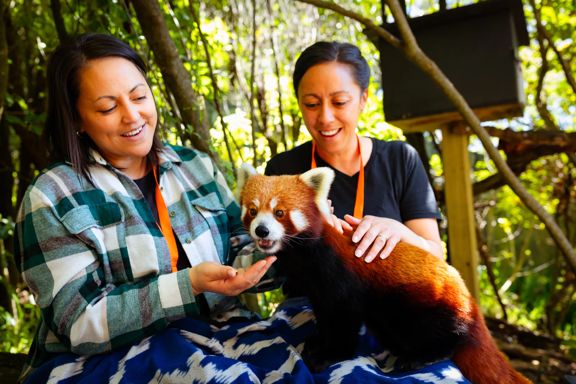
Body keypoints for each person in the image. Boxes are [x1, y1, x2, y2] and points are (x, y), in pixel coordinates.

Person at [14, 33, 277, 383]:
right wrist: (189, 285)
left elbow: (240, 248)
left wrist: (297, 243)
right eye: (108, 107)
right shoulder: (51, 196)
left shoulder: (194, 165)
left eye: (139, 96)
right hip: (99, 361)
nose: (132, 115)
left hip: (218, 333)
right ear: (76, 119)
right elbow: (79, 323)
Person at [265, 41, 443, 264]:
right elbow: (274, 264)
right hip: (315, 298)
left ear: (363, 100)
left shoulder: (400, 159)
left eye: (339, 102)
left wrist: (400, 233)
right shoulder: (282, 171)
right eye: (311, 104)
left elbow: (436, 255)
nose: (325, 117)